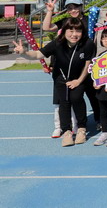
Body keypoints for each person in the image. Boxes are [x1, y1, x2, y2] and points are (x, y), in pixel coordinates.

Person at [14, 17, 95, 147]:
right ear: (64, 31)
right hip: (60, 78)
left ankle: (81, 128)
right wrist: (24, 53)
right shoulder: (57, 43)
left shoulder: (88, 43)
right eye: (71, 31)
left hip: (79, 77)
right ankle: (67, 131)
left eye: (78, 31)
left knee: (76, 98)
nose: (74, 34)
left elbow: (87, 64)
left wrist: (79, 81)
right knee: (64, 102)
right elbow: (38, 54)